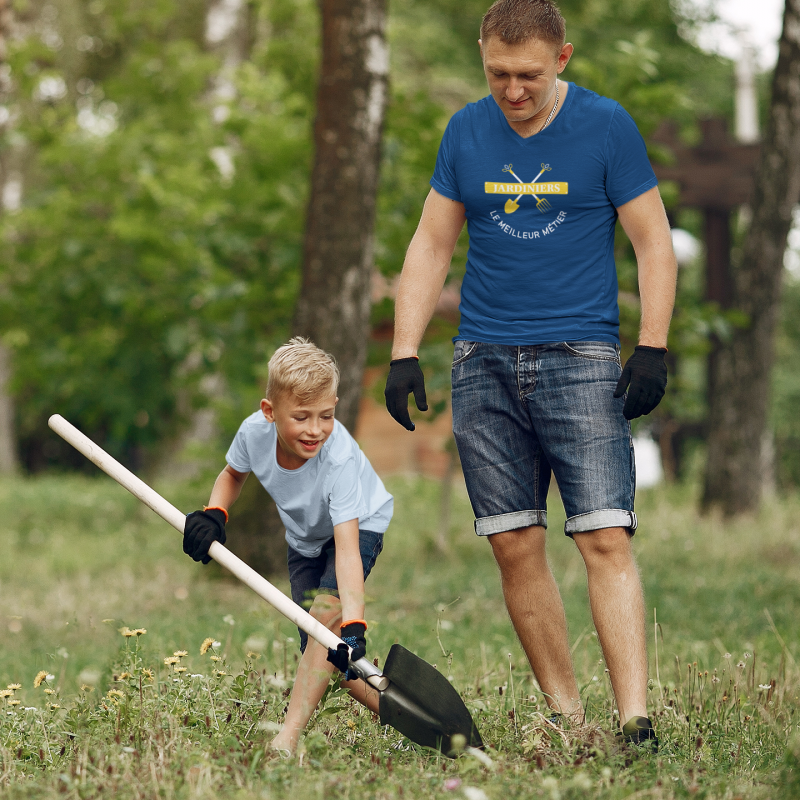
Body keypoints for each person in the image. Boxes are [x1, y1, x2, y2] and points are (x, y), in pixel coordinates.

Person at [384, 0, 676, 749]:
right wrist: (404, 350)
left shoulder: (606, 127)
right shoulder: (465, 131)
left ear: (564, 60)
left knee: (603, 535)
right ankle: (567, 718)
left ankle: (635, 721)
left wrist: (652, 345)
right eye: (498, 74)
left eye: (529, 76)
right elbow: (429, 243)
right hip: (482, 362)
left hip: (579, 359)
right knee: (514, 542)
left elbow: (653, 242)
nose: (512, 90)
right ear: (482, 58)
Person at [183, 337, 393, 756]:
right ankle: (398, 714)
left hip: (358, 525)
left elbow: (348, 549)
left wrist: (354, 622)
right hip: (303, 539)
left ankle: (287, 739)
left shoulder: (340, 460)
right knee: (324, 654)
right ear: (269, 412)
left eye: (326, 415)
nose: (315, 429)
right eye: (301, 417)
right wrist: (214, 514)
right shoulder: (253, 434)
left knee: (327, 620)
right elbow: (232, 474)